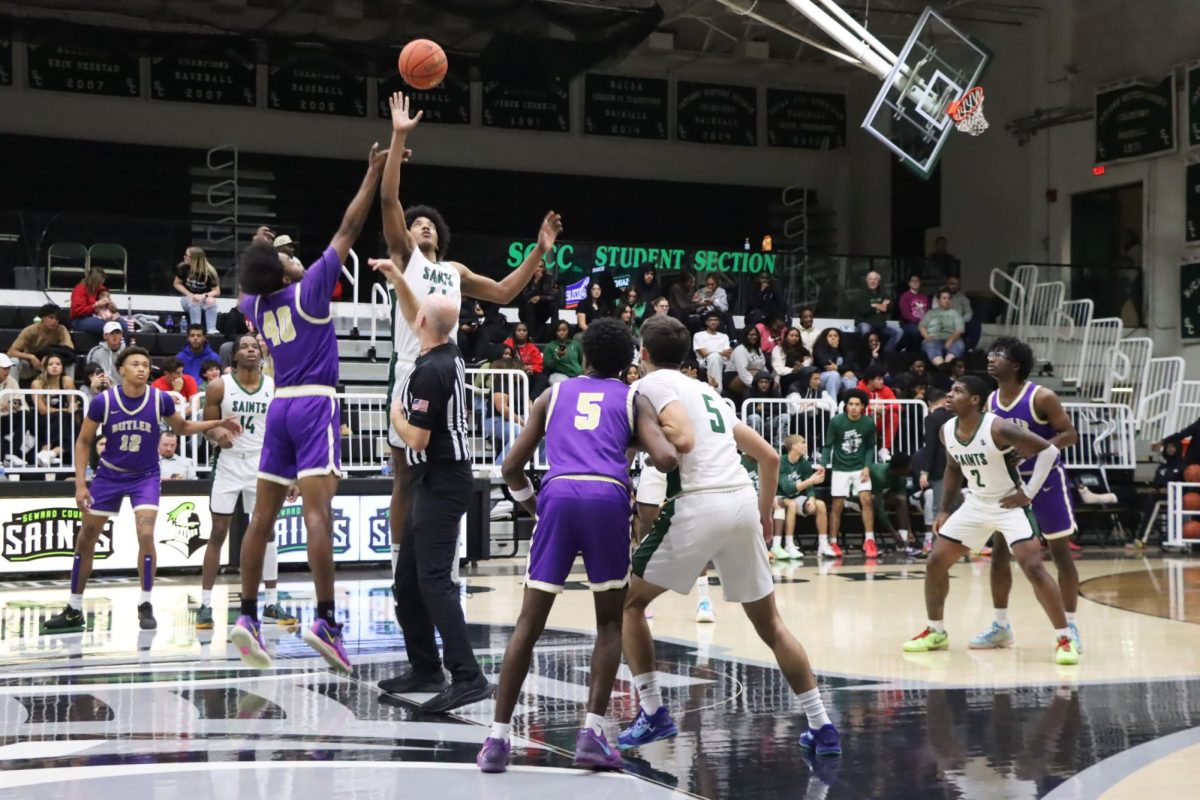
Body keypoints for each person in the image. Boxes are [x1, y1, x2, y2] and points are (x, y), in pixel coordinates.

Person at [617, 315, 841, 758]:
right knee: (772, 626)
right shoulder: (710, 393)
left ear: (642, 353)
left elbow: (675, 442)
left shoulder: (650, 388)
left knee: (629, 603)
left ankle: (653, 710)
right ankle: (822, 725)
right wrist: (764, 515)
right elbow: (770, 456)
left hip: (699, 501)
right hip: (741, 499)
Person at [478, 317, 679, 774]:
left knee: (529, 622)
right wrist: (646, 442)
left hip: (559, 493)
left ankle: (496, 740)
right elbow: (666, 458)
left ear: (583, 357)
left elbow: (512, 467)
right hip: (607, 497)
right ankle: (590, 734)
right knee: (609, 623)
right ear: (629, 363)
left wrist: (534, 508)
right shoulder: (633, 397)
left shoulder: (553, 394)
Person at [377, 91, 562, 585]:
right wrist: (398, 138)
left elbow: (504, 291)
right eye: (416, 225)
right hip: (411, 371)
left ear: (439, 235)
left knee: (448, 472)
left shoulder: (454, 271)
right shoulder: (405, 260)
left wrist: (540, 252)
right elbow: (389, 198)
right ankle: (401, 569)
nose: (422, 228)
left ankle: (443, 563)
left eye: (429, 225)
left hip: (449, 372)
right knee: (406, 477)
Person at [229, 141, 386, 673]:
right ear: (283, 270)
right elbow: (349, 228)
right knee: (318, 513)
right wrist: (370, 174)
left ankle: (247, 616)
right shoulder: (311, 291)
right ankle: (325, 620)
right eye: (287, 257)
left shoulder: (256, 305)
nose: (296, 259)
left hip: (278, 408)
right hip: (316, 404)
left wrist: (258, 249)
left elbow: (241, 289)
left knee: (262, 520)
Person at [41, 346, 240, 634]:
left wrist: (217, 422)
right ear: (121, 370)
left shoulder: (159, 399)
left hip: (145, 475)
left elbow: (182, 427)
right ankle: (73, 608)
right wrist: (81, 482)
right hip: (109, 475)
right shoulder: (103, 402)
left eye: (146, 364)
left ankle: (145, 603)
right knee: (86, 539)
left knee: (146, 534)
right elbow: (84, 442)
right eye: (135, 364)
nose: (142, 369)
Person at [901, 376, 1080, 666]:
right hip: (975, 504)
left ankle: (1064, 637)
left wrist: (1027, 492)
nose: (949, 394)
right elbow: (951, 467)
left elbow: (1048, 450)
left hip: (1009, 505)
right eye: (950, 389)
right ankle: (936, 631)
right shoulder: (947, 429)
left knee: (1033, 566)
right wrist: (944, 510)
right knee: (935, 562)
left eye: (957, 391)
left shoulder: (998, 426)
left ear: (974, 400)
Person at [382, 264, 493, 714]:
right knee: (407, 581)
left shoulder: (432, 370)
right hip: (434, 481)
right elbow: (414, 308)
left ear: (423, 324)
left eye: (417, 315)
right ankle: (425, 667)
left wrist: (394, 417)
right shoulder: (443, 355)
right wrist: (396, 275)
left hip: (442, 480)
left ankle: (468, 676)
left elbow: (418, 439)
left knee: (434, 580)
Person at [971, 338, 1082, 651]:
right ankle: (1000, 625)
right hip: (1010, 485)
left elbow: (1069, 434)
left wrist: (1037, 448)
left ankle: (1070, 625)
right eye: (990, 354)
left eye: (999, 355)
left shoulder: (1041, 396)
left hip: (1046, 483)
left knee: (1060, 555)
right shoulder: (992, 401)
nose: (990, 359)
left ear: (1016, 364)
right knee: (999, 556)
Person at [195, 334, 297, 631]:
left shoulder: (274, 387)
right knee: (218, 532)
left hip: (262, 463)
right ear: (234, 355)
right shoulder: (218, 387)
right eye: (245, 347)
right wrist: (219, 436)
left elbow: (284, 433)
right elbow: (208, 429)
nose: (252, 350)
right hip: (229, 463)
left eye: (255, 346)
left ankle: (272, 601)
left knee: (267, 532)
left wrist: (289, 473)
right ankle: (205, 605)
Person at [822, 389, 876, 559]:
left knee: (866, 499)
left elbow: (869, 447)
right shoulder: (836, 422)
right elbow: (828, 445)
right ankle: (833, 541)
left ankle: (869, 540)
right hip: (840, 468)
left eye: (857, 404)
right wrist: (823, 465)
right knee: (837, 505)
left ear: (863, 407)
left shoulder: (868, 423)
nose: (853, 407)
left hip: (860, 467)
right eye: (850, 404)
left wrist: (867, 466)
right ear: (846, 405)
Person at [773, 435, 826, 561]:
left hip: (797, 497)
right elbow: (787, 488)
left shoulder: (805, 463)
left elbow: (810, 488)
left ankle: (823, 545)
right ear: (793, 446)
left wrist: (811, 499)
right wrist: (811, 480)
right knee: (792, 504)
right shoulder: (781, 462)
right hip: (780, 497)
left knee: (821, 505)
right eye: (803, 443)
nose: (806, 445)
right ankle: (789, 545)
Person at [914, 389, 952, 555]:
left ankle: (940, 547)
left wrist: (924, 471)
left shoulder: (931, 418)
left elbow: (929, 446)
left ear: (930, 403)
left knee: (939, 508)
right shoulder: (955, 417)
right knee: (953, 508)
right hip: (958, 467)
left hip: (939, 468)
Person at [866, 454, 920, 555]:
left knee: (901, 500)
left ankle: (904, 542)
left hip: (882, 497)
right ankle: (898, 540)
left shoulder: (901, 476)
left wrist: (909, 531)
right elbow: (879, 508)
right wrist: (893, 533)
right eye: (909, 465)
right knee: (873, 500)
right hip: (862, 499)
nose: (911, 467)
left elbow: (904, 503)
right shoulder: (878, 475)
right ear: (901, 468)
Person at [31, 353, 77, 468]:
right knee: (63, 418)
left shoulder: (67, 381)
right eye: (51, 364)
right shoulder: (37, 383)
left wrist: (71, 407)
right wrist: (65, 409)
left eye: (58, 364)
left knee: (72, 424)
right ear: (45, 368)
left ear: (62, 367)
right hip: (41, 421)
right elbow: (42, 410)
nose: (54, 366)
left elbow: (73, 404)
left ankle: (49, 453)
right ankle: (49, 452)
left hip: (63, 420)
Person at [8, 303, 73, 381]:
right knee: (14, 362)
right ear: (42, 317)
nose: (54, 321)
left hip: (51, 364)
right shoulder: (30, 330)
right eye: (51, 318)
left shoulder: (61, 329)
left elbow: (69, 349)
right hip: (30, 365)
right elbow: (11, 352)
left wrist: (50, 358)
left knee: (71, 362)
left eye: (57, 319)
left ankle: (70, 389)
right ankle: (11, 392)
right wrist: (32, 357)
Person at [174, 247, 222, 334]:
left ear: (194, 259)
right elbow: (177, 284)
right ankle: (196, 328)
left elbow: (217, 291)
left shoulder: (209, 272)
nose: (184, 257)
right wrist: (189, 294)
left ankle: (211, 329)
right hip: (187, 299)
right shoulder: (183, 268)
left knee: (211, 300)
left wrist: (203, 296)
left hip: (204, 300)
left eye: (186, 256)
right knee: (194, 300)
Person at [70, 268, 126, 336]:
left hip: (99, 316)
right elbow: (77, 311)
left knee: (123, 325)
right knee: (110, 326)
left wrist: (112, 308)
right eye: (99, 283)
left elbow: (107, 300)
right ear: (94, 281)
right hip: (80, 320)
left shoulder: (100, 288)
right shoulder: (79, 289)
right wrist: (95, 306)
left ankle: (122, 346)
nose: (101, 285)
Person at [858, 365, 899, 456]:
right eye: (879, 379)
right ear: (870, 379)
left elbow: (897, 406)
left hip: (879, 422)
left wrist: (884, 408)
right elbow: (853, 408)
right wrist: (871, 408)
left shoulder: (885, 389)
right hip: (861, 422)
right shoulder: (859, 389)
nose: (882, 381)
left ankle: (884, 450)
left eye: (882, 378)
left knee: (894, 415)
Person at [854, 271, 900, 352]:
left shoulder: (883, 293)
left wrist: (874, 305)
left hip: (880, 324)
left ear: (878, 282)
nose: (873, 281)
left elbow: (889, 308)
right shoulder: (860, 294)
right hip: (865, 322)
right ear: (867, 281)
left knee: (899, 332)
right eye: (870, 279)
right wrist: (880, 306)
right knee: (865, 330)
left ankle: (886, 353)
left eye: (875, 279)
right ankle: (867, 354)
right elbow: (863, 310)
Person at [919, 289, 966, 366]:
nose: (947, 300)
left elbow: (959, 330)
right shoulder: (931, 312)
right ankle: (941, 366)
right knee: (929, 345)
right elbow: (922, 326)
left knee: (959, 344)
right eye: (944, 298)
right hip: (934, 339)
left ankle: (948, 365)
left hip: (952, 340)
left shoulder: (955, 313)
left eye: (948, 298)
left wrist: (950, 340)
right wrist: (927, 337)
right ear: (938, 300)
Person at [812, 328, 857, 403]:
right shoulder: (820, 349)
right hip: (822, 377)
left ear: (840, 338)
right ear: (825, 338)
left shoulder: (845, 350)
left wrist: (837, 368)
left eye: (836, 336)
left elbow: (849, 366)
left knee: (851, 378)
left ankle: (849, 406)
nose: (833, 338)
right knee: (834, 375)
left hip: (841, 376)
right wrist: (834, 348)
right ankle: (832, 407)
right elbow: (826, 365)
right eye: (830, 336)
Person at [503, 322, 547, 398]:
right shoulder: (507, 343)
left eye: (524, 330)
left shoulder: (532, 347)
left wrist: (530, 368)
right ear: (515, 332)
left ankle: (531, 400)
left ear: (527, 333)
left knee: (542, 378)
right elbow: (502, 358)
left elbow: (539, 365)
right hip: (511, 373)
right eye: (519, 330)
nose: (521, 332)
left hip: (528, 373)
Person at [518, 262, 558, 342]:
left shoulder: (549, 278)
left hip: (542, 312)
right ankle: (531, 337)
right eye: (535, 266)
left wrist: (540, 297)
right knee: (529, 305)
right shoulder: (526, 278)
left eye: (541, 267)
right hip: (526, 312)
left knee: (553, 305)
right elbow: (524, 297)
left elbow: (553, 295)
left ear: (544, 268)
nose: (538, 269)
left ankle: (555, 333)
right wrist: (536, 282)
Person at [692, 311, 732, 390]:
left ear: (719, 322)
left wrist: (722, 354)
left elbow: (727, 354)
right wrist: (721, 353)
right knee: (714, 357)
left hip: (723, 362)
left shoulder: (724, 336)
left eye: (716, 320)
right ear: (706, 322)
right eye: (711, 320)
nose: (713, 322)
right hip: (705, 362)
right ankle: (717, 390)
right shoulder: (698, 335)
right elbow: (704, 354)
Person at [729, 325, 767, 401]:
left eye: (755, 334)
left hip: (753, 375)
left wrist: (769, 379)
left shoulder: (758, 349)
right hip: (734, 375)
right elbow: (742, 371)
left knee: (773, 384)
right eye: (750, 334)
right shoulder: (740, 350)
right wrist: (755, 384)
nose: (753, 337)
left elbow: (763, 366)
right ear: (745, 336)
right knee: (758, 378)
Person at [772, 326, 811, 395]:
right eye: (792, 335)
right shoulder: (778, 349)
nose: (794, 338)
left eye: (797, 336)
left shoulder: (803, 350)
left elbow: (808, 361)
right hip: (783, 376)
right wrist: (793, 370)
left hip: (800, 374)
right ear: (786, 337)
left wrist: (801, 367)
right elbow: (779, 369)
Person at [542, 320, 583, 385]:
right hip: (559, 375)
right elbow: (546, 365)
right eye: (559, 331)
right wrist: (557, 356)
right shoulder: (550, 346)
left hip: (577, 375)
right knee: (565, 385)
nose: (562, 332)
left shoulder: (576, 344)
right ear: (555, 332)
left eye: (564, 330)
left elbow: (581, 361)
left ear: (568, 331)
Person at [944, 274, 979, 351]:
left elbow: (969, 312)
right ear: (947, 283)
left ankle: (969, 348)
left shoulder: (962, 297)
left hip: (959, 322)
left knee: (975, 323)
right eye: (952, 284)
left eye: (957, 284)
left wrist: (961, 321)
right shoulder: (939, 295)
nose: (954, 286)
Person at [898, 274, 930, 348]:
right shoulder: (905, 296)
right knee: (917, 331)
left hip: (923, 323)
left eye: (917, 281)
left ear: (920, 282)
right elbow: (905, 314)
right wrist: (919, 322)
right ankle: (915, 353)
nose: (915, 282)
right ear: (909, 283)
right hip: (908, 323)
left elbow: (928, 311)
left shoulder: (924, 296)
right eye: (912, 281)